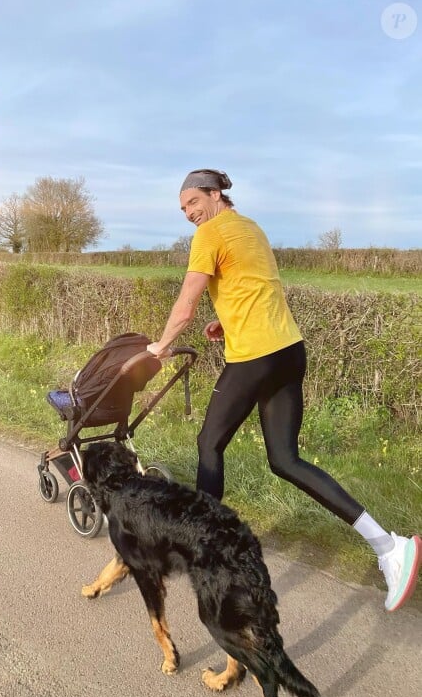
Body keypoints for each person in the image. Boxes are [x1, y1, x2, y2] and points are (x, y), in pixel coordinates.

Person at [146, 168, 420, 612]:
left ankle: (207, 550)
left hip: (255, 356)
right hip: (288, 350)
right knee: (285, 460)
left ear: (215, 195)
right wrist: (226, 321)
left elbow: (187, 301)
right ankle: (389, 545)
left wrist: (161, 345)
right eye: (183, 209)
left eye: (193, 203)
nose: (189, 214)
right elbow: (255, 287)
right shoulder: (250, 228)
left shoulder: (210, 233)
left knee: (209, 443)